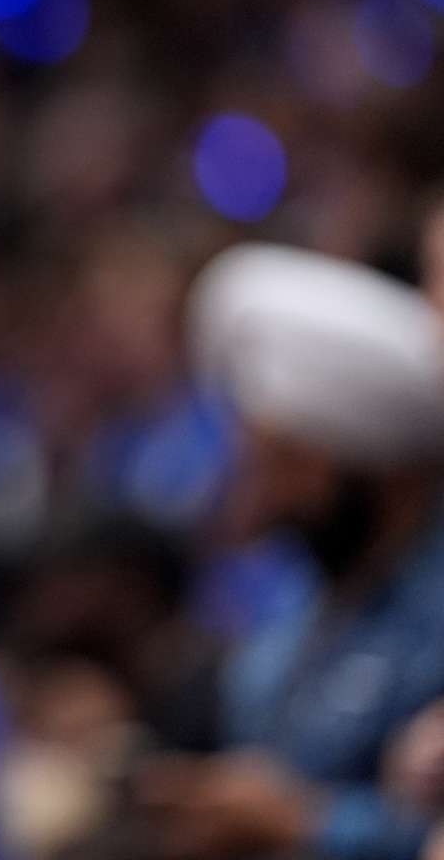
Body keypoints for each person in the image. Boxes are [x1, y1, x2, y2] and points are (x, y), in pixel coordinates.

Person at [132, 242, 444, 860]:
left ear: (381, 473)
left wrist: (311, 825)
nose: (267, 496)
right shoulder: (298, 598)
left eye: (290, 466)